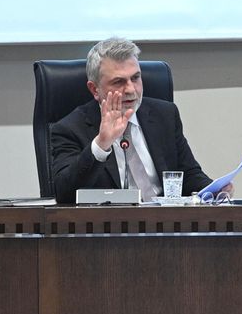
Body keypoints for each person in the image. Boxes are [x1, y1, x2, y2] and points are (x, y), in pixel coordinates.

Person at [49, 37, 216, 204]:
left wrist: (217, 190)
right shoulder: (70, 128)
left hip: (165, 217)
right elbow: (65, 194)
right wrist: (101, 144)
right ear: (95, 89)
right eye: (118, 82)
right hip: (111, 219)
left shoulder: (165, 115)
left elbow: (189, 175)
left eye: (135, 78)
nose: (130, 89)